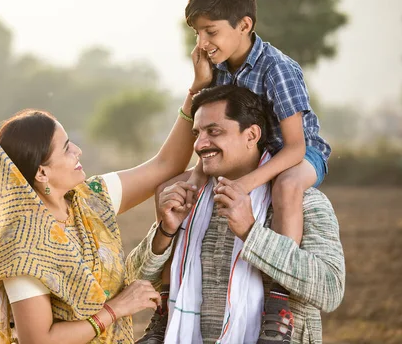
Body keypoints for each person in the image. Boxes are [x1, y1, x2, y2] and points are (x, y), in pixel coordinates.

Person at [138, 0, 332, 343]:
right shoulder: (220, 69)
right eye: (198, 33)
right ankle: (166, 307)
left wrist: (248, 182)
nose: (203, 42)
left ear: (244, 25)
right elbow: (210, 126)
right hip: (247, 155)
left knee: (287, 187)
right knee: (173, 188)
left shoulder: (278, 69)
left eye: (211, 32)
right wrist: (199, 85)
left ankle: (279, 299)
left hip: (298, 153)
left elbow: (294, 146)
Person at [0, 70, 209, 344]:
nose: (78, 151)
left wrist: (195, 91)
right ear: (41, 173)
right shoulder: (21, 244)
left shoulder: (90, 198)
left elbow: (165, 165)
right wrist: (115, 309)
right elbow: (38, 340)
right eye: (66, 149)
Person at [129, 85, 345, 344]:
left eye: (214, 131)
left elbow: (330, 290)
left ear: (251, 135)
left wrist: (250, 231)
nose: (199, 144)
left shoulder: (302, 201)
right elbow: (135, 281)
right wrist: (166, 230)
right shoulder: (186, 198)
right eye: (197, 133)